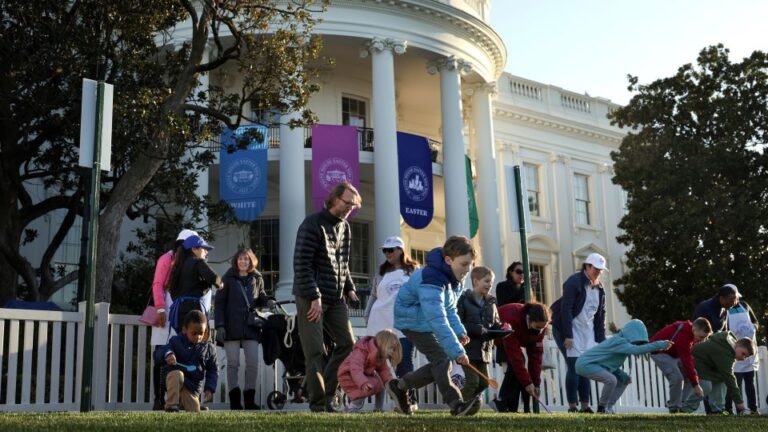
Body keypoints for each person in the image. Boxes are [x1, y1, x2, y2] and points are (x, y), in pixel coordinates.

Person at [388, 235, 479, 416]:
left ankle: (399, 386)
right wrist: (457, 351)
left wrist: (460, 331)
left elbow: (450, 309)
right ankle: (456, 404)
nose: (467, 270)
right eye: (464, 264)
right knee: (442, 359)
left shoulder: (455, 279)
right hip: (412, 320)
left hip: (426, 320)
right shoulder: (432, 278)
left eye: (470, 264)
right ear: (448, 260)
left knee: (442, 362)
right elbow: (437, 318)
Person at [292, 181, 361, 412]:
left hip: (336, 297)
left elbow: (343, 262)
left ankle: (328, 395)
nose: (351, 207)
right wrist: (314, 296)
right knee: (315, 352)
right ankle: (319, 404)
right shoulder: (312, 224)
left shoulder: (346, 227)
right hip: (310, 297)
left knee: (347, 344)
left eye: (354, 204)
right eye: (348, 203)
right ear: (334, 199)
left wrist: (350, 287)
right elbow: (302, 264)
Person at [364, 236, 419, 411]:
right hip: (379, 323)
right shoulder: (380, 273)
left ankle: (409, 401)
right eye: (385, 250)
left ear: (401, 250)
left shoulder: (415, 271)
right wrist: (367, 315)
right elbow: (374, 296)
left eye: (391, 250)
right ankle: (378, 405)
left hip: (404, 323)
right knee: (376, 363)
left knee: (404, 362)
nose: (387, 253)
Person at [215, 248, 272, 410]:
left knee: (253, 363)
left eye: (246, 259)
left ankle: (249, 399)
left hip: (251, 326)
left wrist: (267, 301)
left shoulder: (257, 277)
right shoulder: (227, 278)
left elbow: (261, 296)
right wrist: (220, 325)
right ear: (236, 261)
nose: (243, 262)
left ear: (251, 261)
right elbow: (219, 304)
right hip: (231, 327)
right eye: (240, 259)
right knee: (232, 364)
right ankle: (234, 401)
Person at [550, 253, 607, 413]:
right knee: (574, 367)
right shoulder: (574, 282)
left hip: (586, 331)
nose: (598, 272)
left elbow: (601, 314)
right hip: (568, 328)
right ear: (587, 266)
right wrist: (568, 335)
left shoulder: (600, 288)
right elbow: (566, 310)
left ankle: (585, 405)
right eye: (596, 269)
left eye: (601, 270)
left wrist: (600, 340)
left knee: (585, 368)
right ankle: (572, 406)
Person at [576, 319, 671, 414]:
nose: (638, 344)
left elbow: (609, 363)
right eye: (638, 341)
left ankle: (608, 407)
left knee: (624, 380)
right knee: (611, 380)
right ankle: (601, 408)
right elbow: (636, 350)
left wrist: (621, 374)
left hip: (596, 364)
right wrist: (659, 344)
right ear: (632, 334)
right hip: (586, 364)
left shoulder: (622, 342)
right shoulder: (619, 341)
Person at [149, 228, 198, 411]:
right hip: (166, 311)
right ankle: (158, 399)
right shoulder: (167, 258)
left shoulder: (193, 261)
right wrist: (160, 308)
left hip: (183, 314)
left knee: (182, 355)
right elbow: (158, 284)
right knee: (161, 354)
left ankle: (179, 399)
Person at [155, 310, 219, 413]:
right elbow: (159, 352)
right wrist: (168, 354)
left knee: (194, 410)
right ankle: (171, 406)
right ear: (184, 330)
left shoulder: (209, 348)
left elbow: (213, 370)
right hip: (175, 383)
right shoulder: (176, 341)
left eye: (201, 333)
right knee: (177, 374)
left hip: (192, 389)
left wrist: (209, 388)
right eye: (194, 333)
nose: (198, 337)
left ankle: (186, 404)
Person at [493, 261, 535, 412]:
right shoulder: (502, 286)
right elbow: (507, 306)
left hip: (521, 335)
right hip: (506, 333)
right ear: (510, 272)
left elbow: (530, 310)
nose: (522, 275)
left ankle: (509, 405)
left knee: (518, 370)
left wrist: (528, 289)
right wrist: (524, 289)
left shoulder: (527, 289)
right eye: (519, 271)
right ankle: (504, 401)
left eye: (525, 272)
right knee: (514, 368)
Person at [649, 318, 713, 413]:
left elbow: (688, 361)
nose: (701, 341)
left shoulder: (690, 333)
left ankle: (681, 403)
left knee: (692, 375)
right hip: (659, 352)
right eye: (701, 337)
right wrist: (696, 385)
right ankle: (674, 408)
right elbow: (686, 361)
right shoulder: (684, 335)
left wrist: (694, 381)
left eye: (704, 338)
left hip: (673, 353)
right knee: (677, 378)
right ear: (694, 329)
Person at [497, 302, 551, 412]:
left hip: (516, 338)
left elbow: (536, 357)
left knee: (519, 367)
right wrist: (527, 383)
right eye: (537, 327)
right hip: (499, 335)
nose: (539, 331)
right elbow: (515, 358)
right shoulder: (512, 319)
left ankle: (508, 406)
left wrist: (535, 384)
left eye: (542, 328)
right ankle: (503, 402)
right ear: (529, 320)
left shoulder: (541, 327)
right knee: (518, 362)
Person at [683, 332, 755, 414]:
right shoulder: (725, 352)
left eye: (745, 357)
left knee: (721, 379)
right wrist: (739, 402)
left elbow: (726, 375)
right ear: (737, 344)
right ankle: (685, 409)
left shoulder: (729, 346)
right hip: (694, 361)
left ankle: (718, 409)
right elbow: (730, 378)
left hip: (706, 365)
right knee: (706, 386)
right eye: (743, 354)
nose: (743, 358)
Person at [457, 266, 500, 403]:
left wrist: (501, 329)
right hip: (468, 349)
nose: (490, 285)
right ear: (476, 281)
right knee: (473, 382)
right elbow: (457, 322)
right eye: (486, 281)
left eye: (491, 282)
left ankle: (467, 405)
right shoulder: (464, 299)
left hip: (484, 350)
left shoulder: (491, 303)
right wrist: (475, 329)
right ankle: (457, 405)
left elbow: (495, 323)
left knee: (483, 383)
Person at [167, 234, 222, 335]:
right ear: (194, 249)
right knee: (197, 345)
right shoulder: (198, 262)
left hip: (178, 311)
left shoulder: (178, 266)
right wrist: (221, 284)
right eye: (204, 249)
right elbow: (213, 278)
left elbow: (171, 291)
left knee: (182, 344)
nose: (206, 252)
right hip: (194, 313)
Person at [337, 329, 402, 413]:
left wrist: (390, 384)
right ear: (383, 344)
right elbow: (355, 368)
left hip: (362, 375)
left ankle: (378, 408)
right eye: (391, 348)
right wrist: (363, 382)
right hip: (347, 375)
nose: (392, 351)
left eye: (393, 349)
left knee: (381, 385)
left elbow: (384, 371)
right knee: (362, 391)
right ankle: (352, 408)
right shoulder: (362, 350)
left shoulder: (380, 356)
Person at [725, 293, 759, 414]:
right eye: (731, 298)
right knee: (735, 384)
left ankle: (753, 409)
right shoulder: (725, 310)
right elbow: (723, 329)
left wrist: (753, 327)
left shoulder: (745, 305)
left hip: (749, 351)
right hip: (735, 350)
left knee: (750, 384)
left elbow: (755, 321)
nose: (734, 300)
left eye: (736, 297)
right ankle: (731, 410)